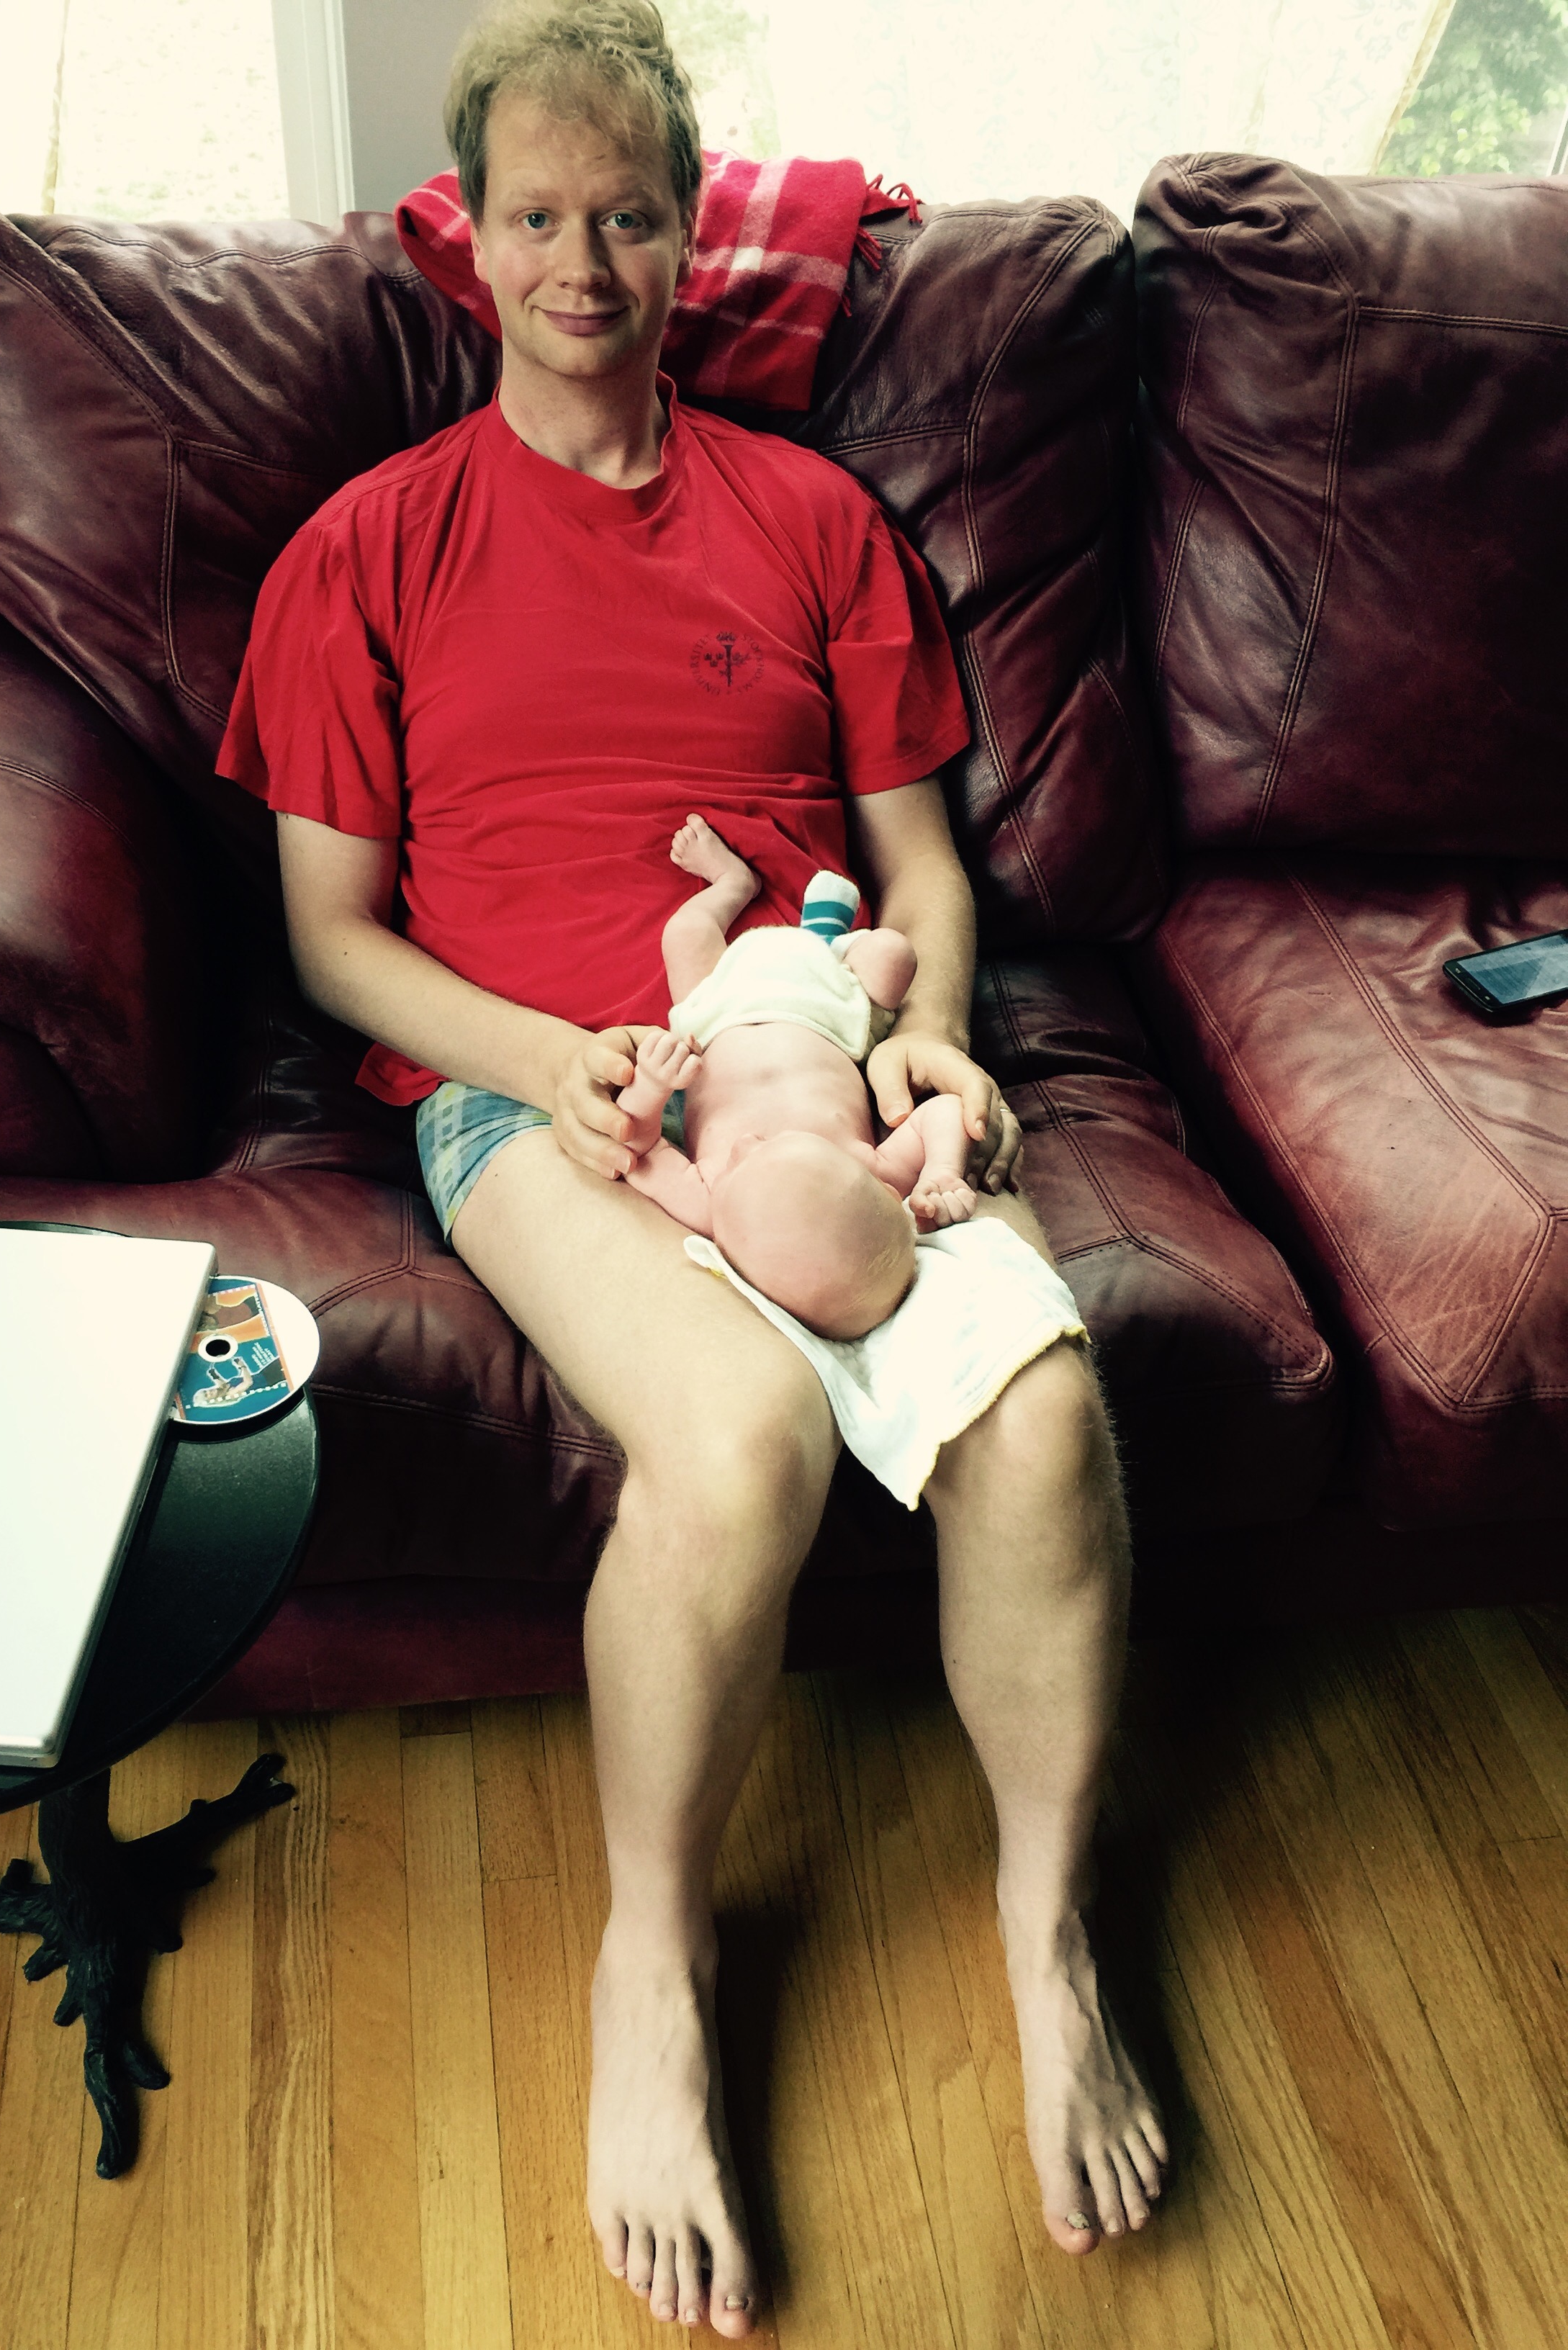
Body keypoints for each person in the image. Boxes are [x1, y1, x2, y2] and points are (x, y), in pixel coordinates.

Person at [218, 1, 1168, 2331]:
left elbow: (914, 866)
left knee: (1044, 1418)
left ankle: (1047, 1934)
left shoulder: (816, 519)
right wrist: (561, 1062)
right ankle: (652, 1965)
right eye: (538, 216)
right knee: (740, 1439)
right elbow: (334, 940)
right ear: (466, 235)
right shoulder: (366, 550)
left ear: (685, 229)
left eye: (627, 214)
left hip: (821, 1058)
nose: (582, 263)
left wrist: (929, 1046)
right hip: (532, 1092)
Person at [614, 813, 978, 1339]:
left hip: (714, 1017)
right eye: (776, 1144)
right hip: (823, 1010)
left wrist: (650, 1087)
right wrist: (942, 1170)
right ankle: (824, 941)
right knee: (893, 955)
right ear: (878, 1188)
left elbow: (637, 1149)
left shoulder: (707, 1204)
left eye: (738, 1164)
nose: (745, 1143)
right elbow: (943, 1111)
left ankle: (732, 884)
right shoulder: (867, 1168)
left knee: (686, 934)